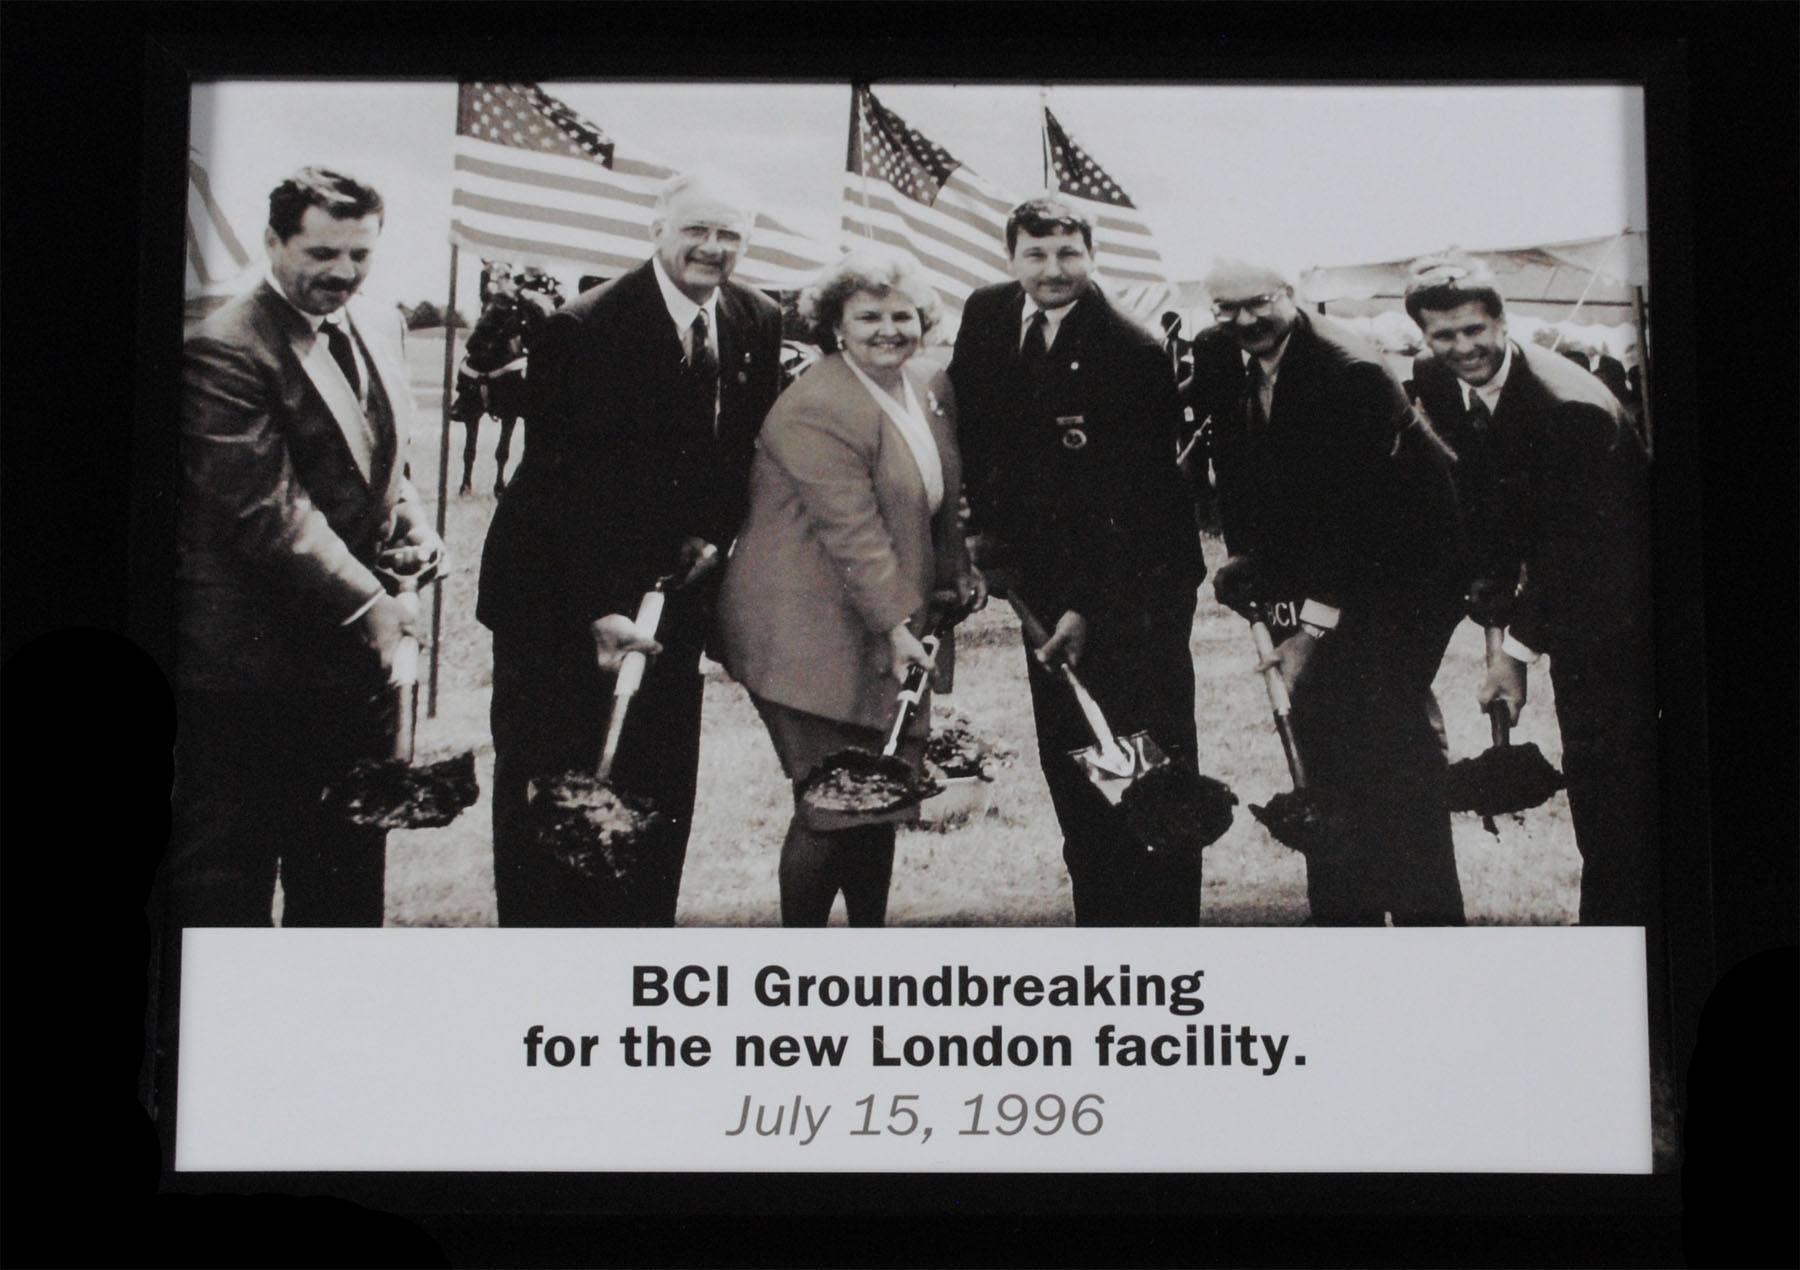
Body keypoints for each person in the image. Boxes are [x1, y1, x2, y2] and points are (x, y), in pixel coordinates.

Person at [476, 173, 784, 926]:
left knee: (654, 795)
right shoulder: (583, 327)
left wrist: (713, 539)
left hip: (673, 596)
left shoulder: (756, 316)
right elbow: (559, 487)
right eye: (696, 230)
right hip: (559, 600)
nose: (713, 249)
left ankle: (635, 953)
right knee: (553, 800)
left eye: (730, 235)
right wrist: (601, 604)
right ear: (656, 229)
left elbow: (736, 449)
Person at [171, 166, 443, 926]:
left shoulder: (380, 322)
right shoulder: (223, 349)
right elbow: (270, 512)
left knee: (346, 876)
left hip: (349, 675)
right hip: (246, 676)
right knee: (228, 883)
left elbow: (387, 461)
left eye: (359, 254)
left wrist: (413, 525)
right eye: (322, 254)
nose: (343, 273)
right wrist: (374, 605)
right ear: (271, 242)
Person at [949, 197, 1205, 926]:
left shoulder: (1131, 348)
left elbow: (1141, 501)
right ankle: (1100, 916)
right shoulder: (988, 313)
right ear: (1011, 258)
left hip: (1136, 587)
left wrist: (1086, 605)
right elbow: (981, 431)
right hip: (1043, 583)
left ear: (1092, 256)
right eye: (1036, 254)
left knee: (1148, 765)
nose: (1052, 270)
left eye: (1068, 254)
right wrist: (984, 530)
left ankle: (1166, 927)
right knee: (1074, 757)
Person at [1189, 258, 1466, 926]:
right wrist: (1245, 555)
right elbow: (1238, 466)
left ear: (1292, 295)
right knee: (1322, 736)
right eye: (1228, 308)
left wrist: (1311, 632)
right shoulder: (1218, 354)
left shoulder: (1353, 373)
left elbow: (1360, 521)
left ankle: (1431, 919)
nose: (1245, 320)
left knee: (1392, 740)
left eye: (1259, 303)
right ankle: (1347, 912)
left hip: (1406, 574)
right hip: (1321, 560)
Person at [717, 249, 983, 926]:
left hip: (879, 620)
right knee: (832, 803)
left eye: (903, 314)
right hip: (805, 630)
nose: (888, 328)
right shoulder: (816, 405)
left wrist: (956, 576)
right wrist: (897, 626)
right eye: (869, 316)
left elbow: (941, 497)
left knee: (883, 795)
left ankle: (868, 944)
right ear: (835, 324)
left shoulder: (924, 386)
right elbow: (853, 533)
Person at [1404, 255, 1654, 929]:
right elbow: (1486, 492)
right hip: (1570, 584)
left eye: (1475, 330)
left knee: (1615, 790)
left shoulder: (1570, 411)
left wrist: (1512, 653)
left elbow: (1582, 557)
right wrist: (1490, 596)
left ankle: (1621, 938)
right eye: (1444, 335)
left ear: (1505, 321)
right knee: (1601, 787)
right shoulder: (1436, 378)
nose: (1463, 349)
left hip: (1631, 610)